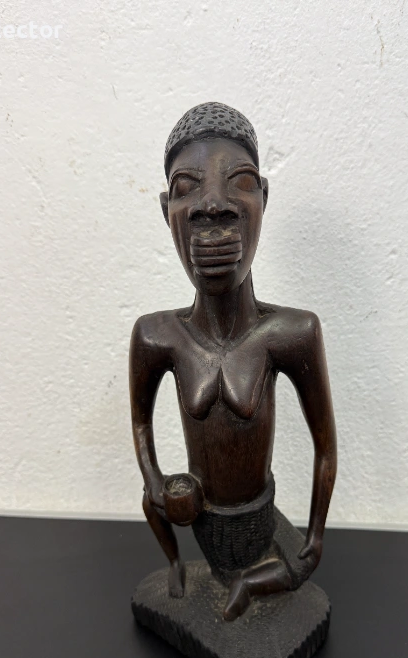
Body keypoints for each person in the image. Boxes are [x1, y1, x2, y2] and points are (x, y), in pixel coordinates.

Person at [130, 103, 336, 621]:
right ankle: (178, 568)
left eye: (239, 182)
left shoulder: (292, 333)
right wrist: (156, 482)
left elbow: (325, 448)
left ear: (262, 197)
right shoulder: (156, 335)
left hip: (258, 519)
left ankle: (250, 581)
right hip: (200, 516)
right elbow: (140, 424)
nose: (212, 205)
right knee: (149, 504)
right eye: (187, 187)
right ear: (166, 210)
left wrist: (314, 535)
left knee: (297, 567)